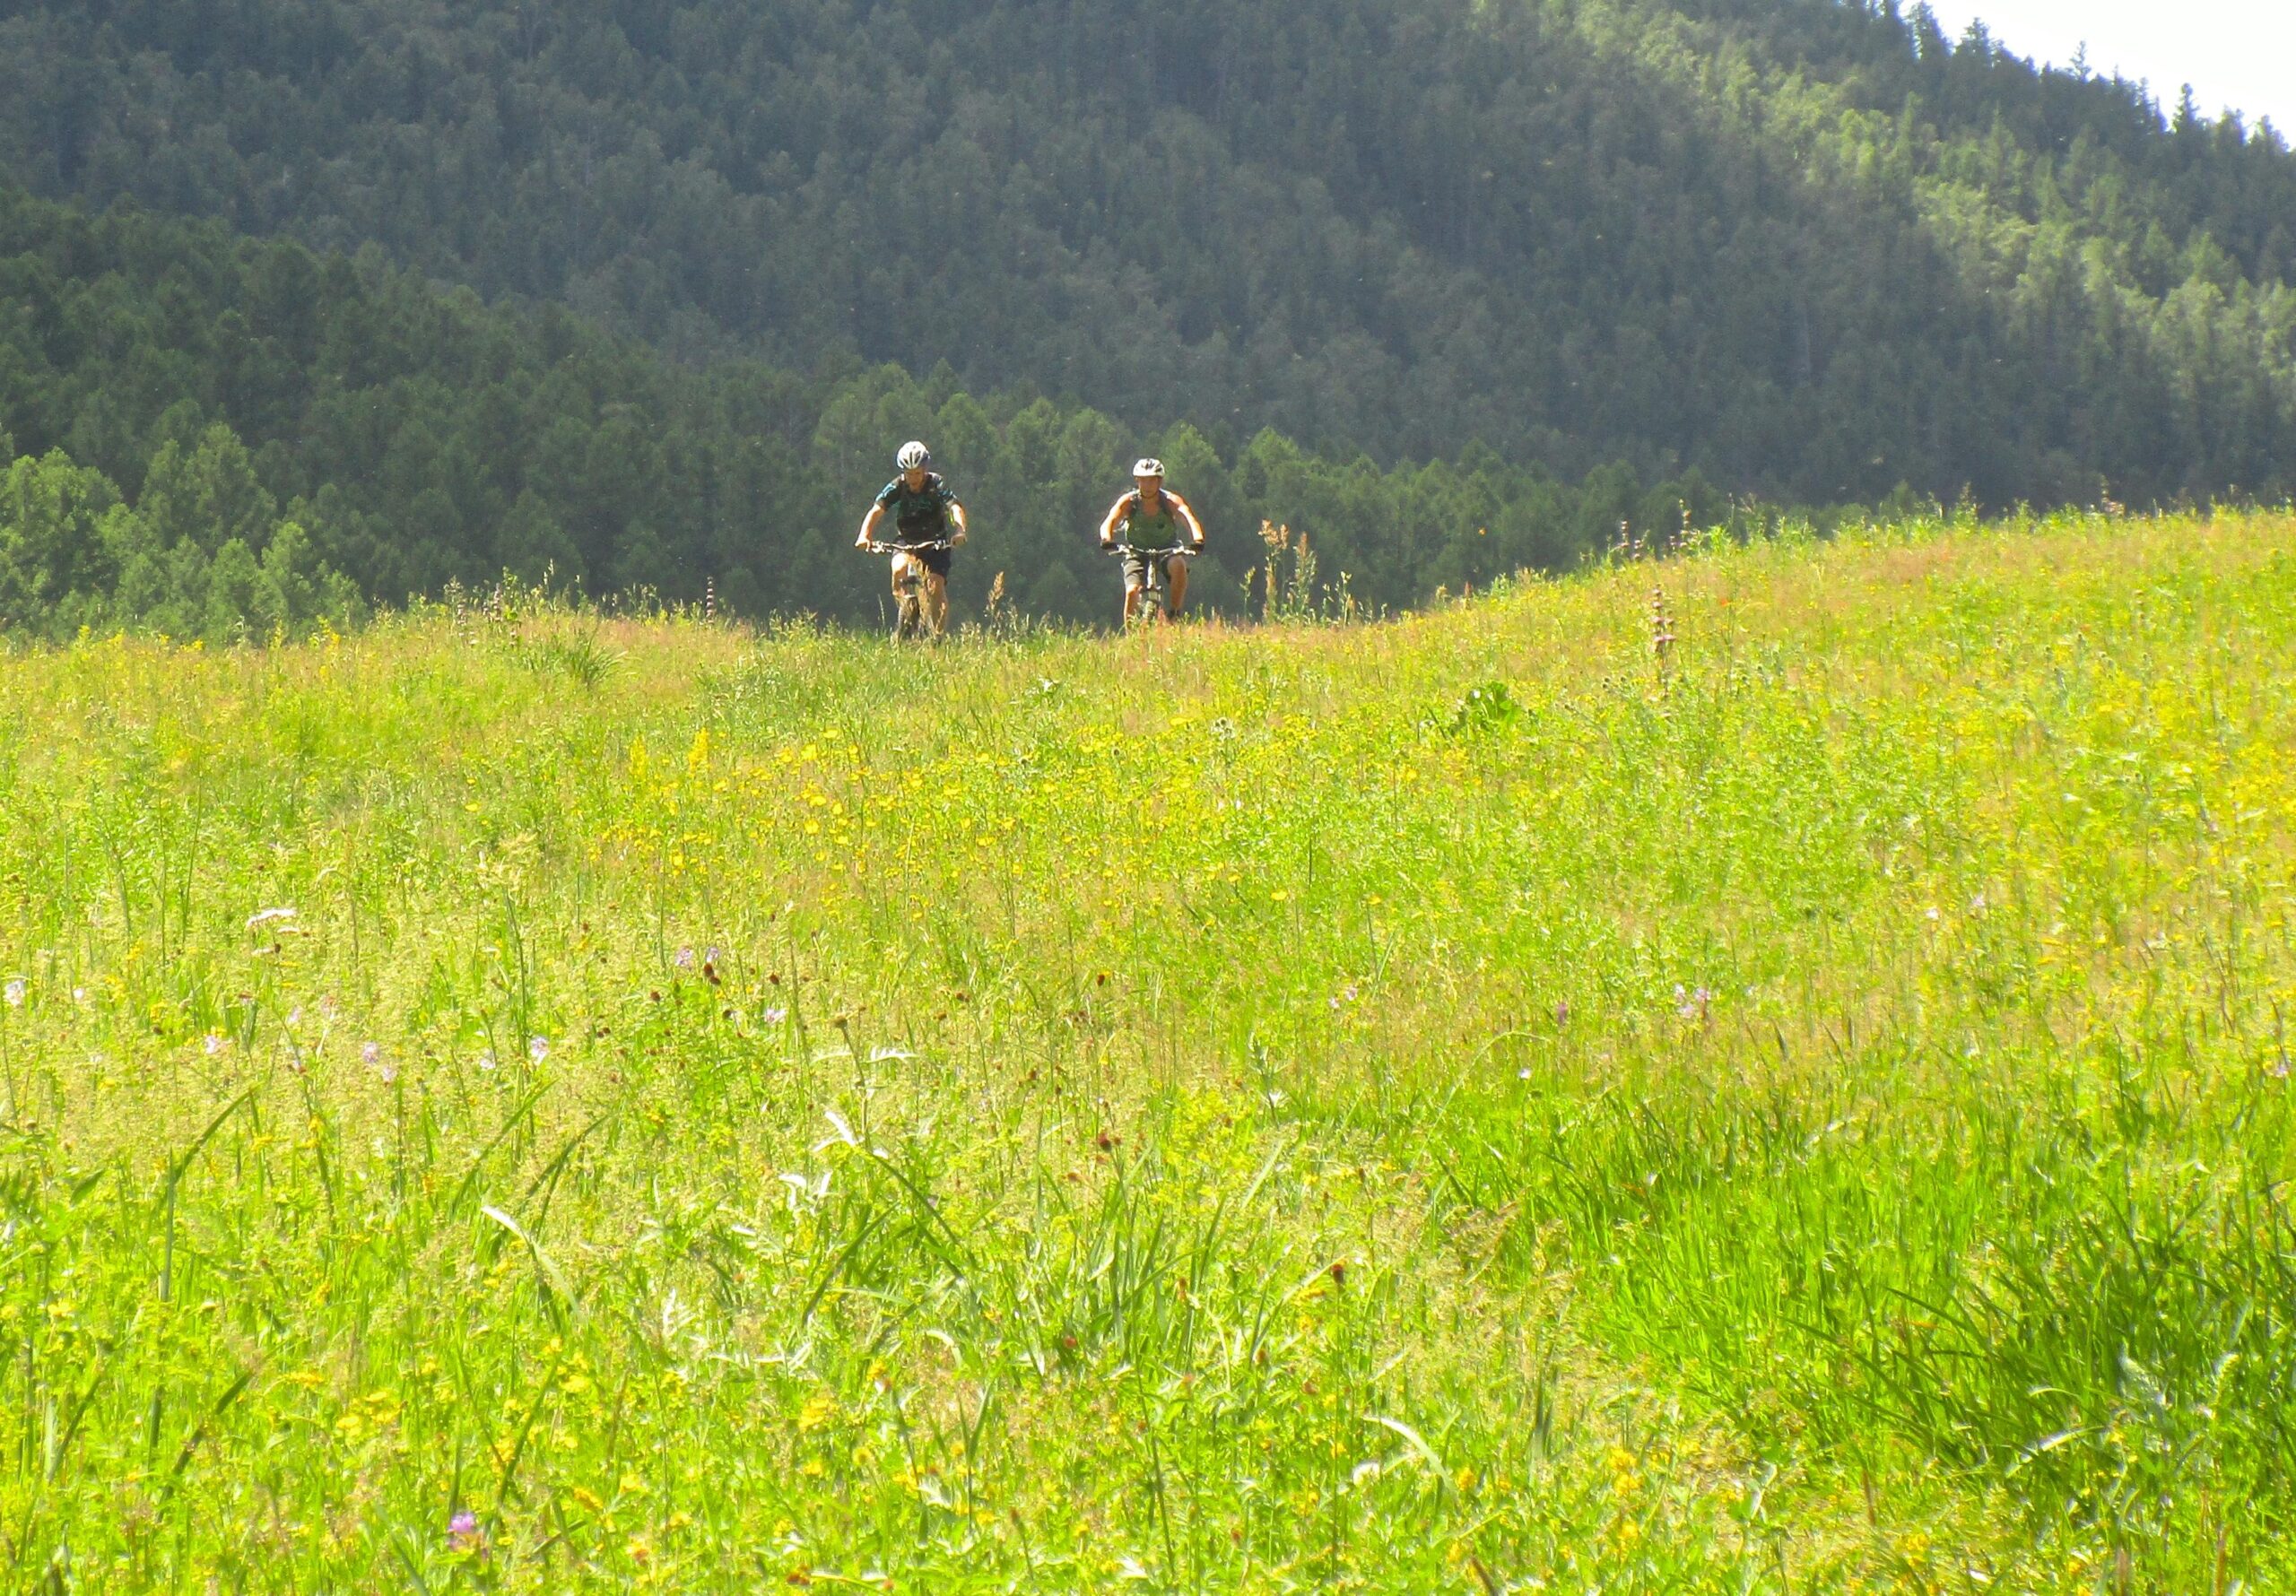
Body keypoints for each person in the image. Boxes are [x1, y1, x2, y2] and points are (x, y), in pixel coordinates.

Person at [856, 441, 968, 637]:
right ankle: (905, 613)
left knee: (935, 586)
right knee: (898, 570)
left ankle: (937, 637)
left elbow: (955, 507)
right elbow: (876, 510)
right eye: (909, 474)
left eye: (917, 473)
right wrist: (865, 535)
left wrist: (960, 530)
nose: (913, 479)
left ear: (925, 469)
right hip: (906, 541)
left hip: (935, 543)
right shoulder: (897, 486)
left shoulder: (937, 484)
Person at [1098, 458, 1205, 622]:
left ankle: (1174, 613)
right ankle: (1131, 637)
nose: (1146, 485)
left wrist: (1198, 539)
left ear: (1159, 481)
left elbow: (1188, 518)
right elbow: (1110, 520)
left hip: (1167, 549)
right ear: (1137, 481)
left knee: (1179, 565)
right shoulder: (1130, 502)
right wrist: (1107, 538)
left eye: (1151, 481)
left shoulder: (1169, 501)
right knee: (1132, 591)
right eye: (1142, 480)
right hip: (1136, 551)